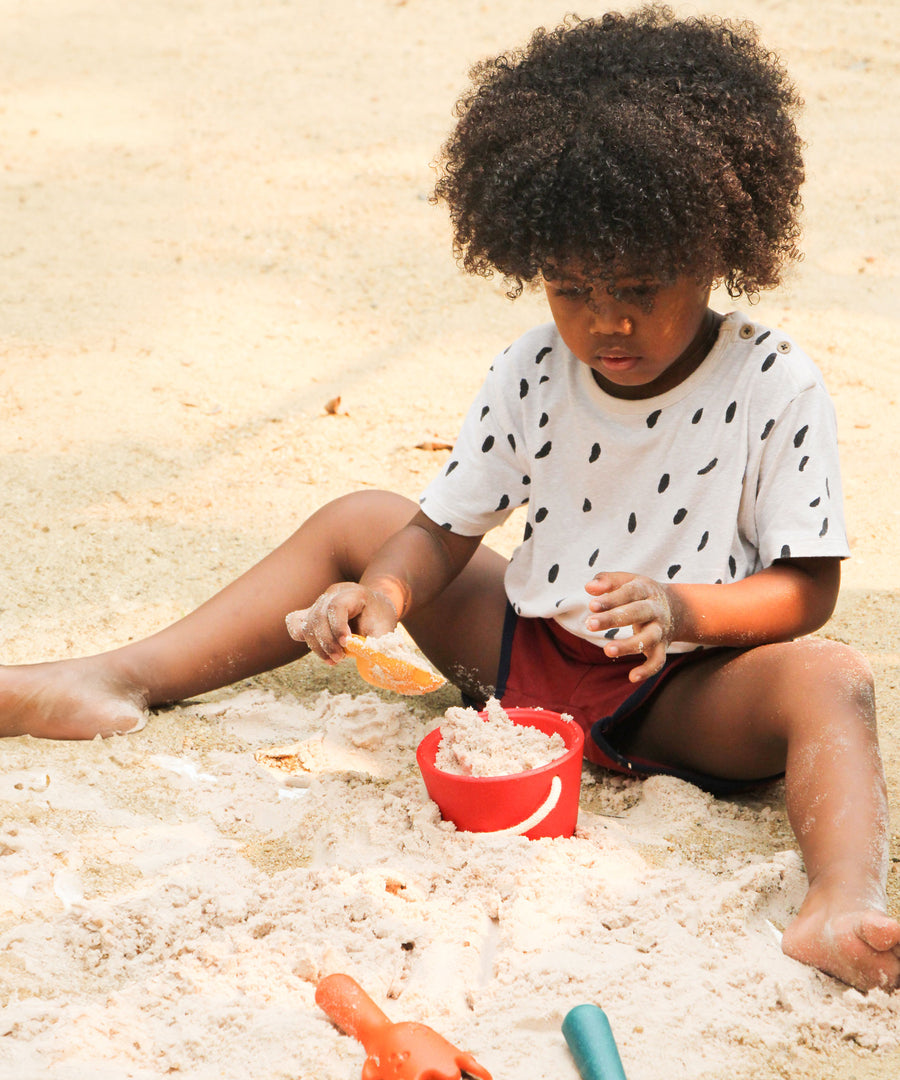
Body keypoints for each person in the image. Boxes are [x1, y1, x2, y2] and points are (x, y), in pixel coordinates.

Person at [1, 5, 898, 993]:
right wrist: (382, 599)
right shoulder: (531, 369)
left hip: (673, 691)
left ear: (720, 243)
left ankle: (840, 903)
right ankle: (116, 677)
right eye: (570, 289)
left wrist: (685, 611)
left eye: (641, 284)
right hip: (520, 657)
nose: (608, 319)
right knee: (361, 519)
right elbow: (442, 530)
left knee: (829, 679)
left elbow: (806, 587)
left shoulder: (773, 381)